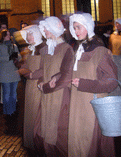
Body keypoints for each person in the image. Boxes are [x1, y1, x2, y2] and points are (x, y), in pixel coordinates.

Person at [68, 13, 118, 156]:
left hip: (93, 105)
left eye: (79, 27)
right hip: (77, 103)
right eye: (74, 28)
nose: (76, 31)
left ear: (88, 27)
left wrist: (86, 84)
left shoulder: (100, 51)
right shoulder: (77, 50)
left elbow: (111, 81)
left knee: (91, 143)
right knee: (77, 140)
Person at [31, 17, 74, 156]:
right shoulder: (45, 49)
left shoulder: (66, 49)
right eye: (43, 28)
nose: (43, 30)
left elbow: (66, 74)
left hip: (59, 95)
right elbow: (43, 71)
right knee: (40, 130)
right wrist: (40, 84)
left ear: (54, 29)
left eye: (46, 27)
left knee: (58, 131)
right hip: (46, 95)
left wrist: (48, 86)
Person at [16, 25, 45, 150]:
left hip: (39, 86)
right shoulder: (30, 49)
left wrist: (32, 74)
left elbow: (46, 67)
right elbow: (26, 66)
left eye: (31, 34)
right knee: (30, 112)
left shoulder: (44, 48)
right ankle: (30, 140)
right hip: (30, 86)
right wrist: (22, 68)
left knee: (38, 113)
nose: (29, 37)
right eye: (27, 35)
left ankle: (39, 142)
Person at [0, 29, 21, 134]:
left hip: (13, 71)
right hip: (5, 71)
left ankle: (13, 110)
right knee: (6, 92)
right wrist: (8, 57)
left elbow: (19, 55)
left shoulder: (14, 46)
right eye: (7, 35)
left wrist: (16, 57)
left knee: (13, 92)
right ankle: (7, 111)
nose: (8, 37)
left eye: (9, 35)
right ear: (3, 36)